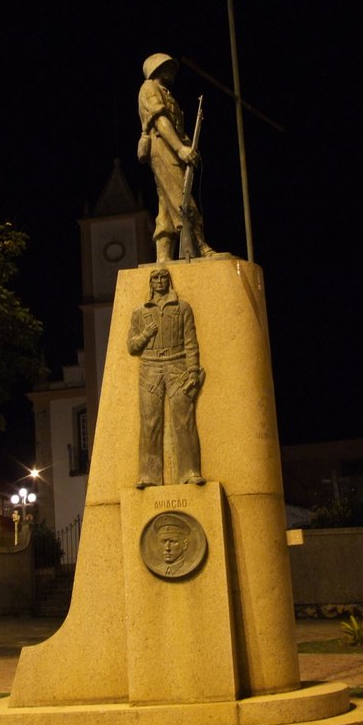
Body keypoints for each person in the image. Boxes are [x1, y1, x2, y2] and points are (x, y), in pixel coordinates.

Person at [128, 268, 205, 488]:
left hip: (177, 365)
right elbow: (132, 347)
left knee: (184, 420)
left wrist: (193, 371)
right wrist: (145, 334)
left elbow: (191, 342)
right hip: (150, 368)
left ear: (168, 281)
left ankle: (190, 472)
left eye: (163, 277)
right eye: (155, 278)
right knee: (150, 422)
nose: (159, 281)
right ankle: (149, 475)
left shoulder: (183, 308)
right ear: (150, 283)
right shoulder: (139, 312)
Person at [137, 53, 216, 262]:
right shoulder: (149, 89)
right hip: (162, 148)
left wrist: (188, 145)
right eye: (168, 66)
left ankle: (163, 258)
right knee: (182, 198)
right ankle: (200, 246)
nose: (172, 70)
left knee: (166, 205)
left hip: (171, 148)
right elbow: (161, 122)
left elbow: (176, 127)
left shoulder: (166, 93)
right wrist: (180, 148)